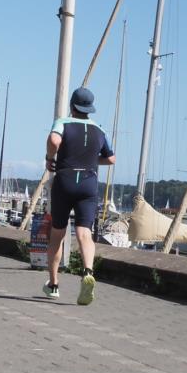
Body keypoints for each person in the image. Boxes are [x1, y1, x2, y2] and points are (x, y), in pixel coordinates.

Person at [43, 87, 115, 305]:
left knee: (57, 234)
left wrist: (49, 157)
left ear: (72, 106)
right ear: (89, 109)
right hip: (88, 182)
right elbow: (111, 159)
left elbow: (54, 141)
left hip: (65, 180)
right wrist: (93, 160)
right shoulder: (100, 130)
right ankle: (88, 271)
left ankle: (53, 284)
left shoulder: (62, 122)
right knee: (85, 233)